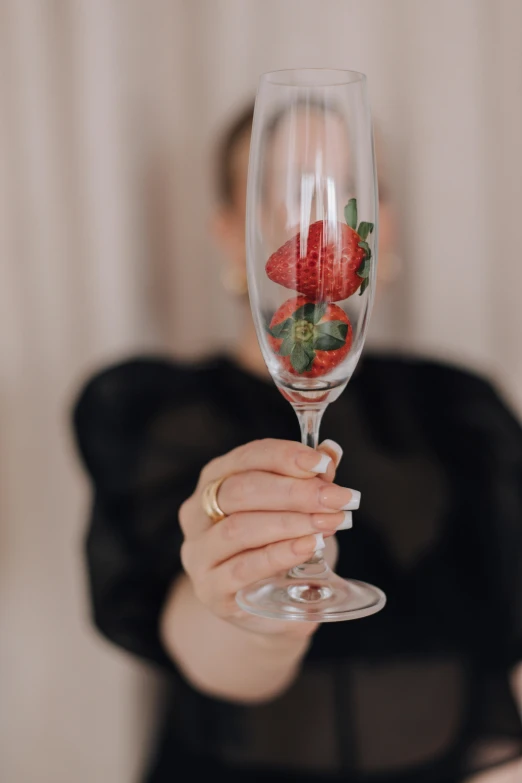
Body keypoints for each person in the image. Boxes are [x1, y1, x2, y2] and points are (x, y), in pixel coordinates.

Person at [73, 102, 522, 783]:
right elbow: (201, 645)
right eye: (284, 191)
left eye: (351, 191)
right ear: (229, 232)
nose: (320, 221)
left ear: (386, 226)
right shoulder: (152, 408)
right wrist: (253, 607)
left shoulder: (461, 404)